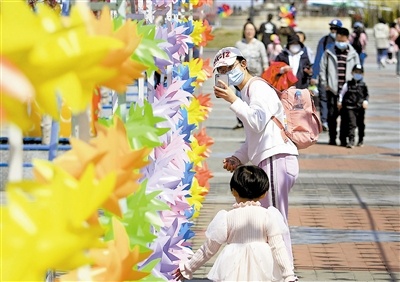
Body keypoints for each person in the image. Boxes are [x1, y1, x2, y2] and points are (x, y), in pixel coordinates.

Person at [212, 47, 299, 263]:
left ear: (243, 64)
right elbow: (254, 135)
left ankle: (286, 275)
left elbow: (258, 121)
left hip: (276, 158)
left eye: (229, 67)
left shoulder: (256, 88)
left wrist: (234, 101)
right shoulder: (247, 91)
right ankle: (276, 271)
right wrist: (238, 158)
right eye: (222, 70)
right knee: (270, 219)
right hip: (271, 159)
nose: (227, 73)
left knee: (276, 220)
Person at [172, 165, 298, 282]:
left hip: (232, 267)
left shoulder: (227, 218)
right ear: (264, 193)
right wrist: (288, 274)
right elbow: (278, 247)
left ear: (234, 191)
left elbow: (208, 249)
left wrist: (188, 268)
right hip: (263, 264)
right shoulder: (268, 216)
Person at [319, 27, 360, 146]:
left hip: (348, 91)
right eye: (338, 39)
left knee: (346, 116)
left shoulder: (353, 53)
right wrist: (325, 84)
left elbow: (357, 70)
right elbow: (323, 69)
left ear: (347, 39)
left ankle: (343, 139)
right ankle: (332, 138)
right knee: (332, 115)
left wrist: (355, 85)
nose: (340, 42)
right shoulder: (329, 52)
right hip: (332, 89)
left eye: (342, 40)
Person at [232, 21, 269, 130]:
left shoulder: (259, 44)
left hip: (256, 76)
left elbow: (264, 60)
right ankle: (241, 121)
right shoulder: (239, 44)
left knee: (253, 98)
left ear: (255, 31)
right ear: (244, 31)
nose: (249, 32)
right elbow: (234, 59)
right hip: (240, 76)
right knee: (239, 97)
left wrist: (266, 71)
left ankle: (254, 119)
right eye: (247, 29)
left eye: (251, 30)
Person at [311, 19, 343, 132]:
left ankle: (334, 120)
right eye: (331, 28)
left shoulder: (344, 42)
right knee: (324, 99)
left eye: (335, 29)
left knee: (337, 100)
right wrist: (314, 75)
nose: (333, 30)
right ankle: (324, 121)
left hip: (339, 77)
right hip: (325, 76)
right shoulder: (324, 41)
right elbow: (318, 58)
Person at [337, 64, 369, 148]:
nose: (357, 74)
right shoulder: (348, 84)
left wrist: (365, 102)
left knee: (361, 124)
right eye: (356, 72)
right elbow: (342, 94)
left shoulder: (363, 85)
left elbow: (366, 95)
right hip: (349, 107)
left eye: (359, 72)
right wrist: (340, 102)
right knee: (352, 124)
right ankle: (351, 141)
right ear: (352, 72)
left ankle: (361, 139)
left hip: (360, 108)